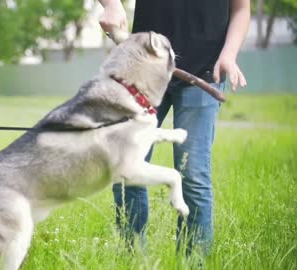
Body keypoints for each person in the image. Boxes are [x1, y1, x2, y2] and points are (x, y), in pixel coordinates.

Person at [97, 0, 250, 256]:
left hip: (203, 73)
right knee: (127, 167)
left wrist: (229, 54)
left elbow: (241, 8)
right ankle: (131, 257)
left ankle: (193, 262)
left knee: (192, 174)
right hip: (144, 67)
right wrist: (112, 5)